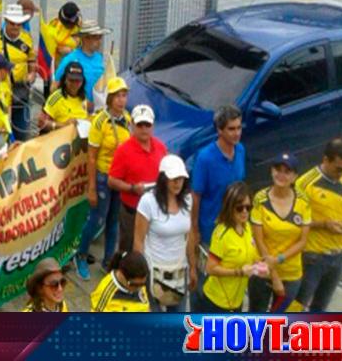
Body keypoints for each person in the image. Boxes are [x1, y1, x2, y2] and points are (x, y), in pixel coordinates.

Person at [74, 76, 131, 281]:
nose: (121, 100)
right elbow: (91, 156)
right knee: (97, 218)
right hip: (102, 177)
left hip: (120, 178)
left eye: (124, 95)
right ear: (109, 98)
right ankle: (80, 255)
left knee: (113, 221)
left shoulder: (128, 119)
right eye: (117, 96)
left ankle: (108, 261)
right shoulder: (99, 121)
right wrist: (91, 187)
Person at [295, 138, 342, 311]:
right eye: (338, 169)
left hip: (338, 255)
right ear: (325, 160)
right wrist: (324, 224)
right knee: (298, 305)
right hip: (313, 257)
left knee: (320, 307)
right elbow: (294, 221)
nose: (341, 174)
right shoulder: (306, 183)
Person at [248, 152, 310, 313]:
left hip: (291, 273)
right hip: (262, 270)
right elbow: (259, 240)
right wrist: (274, 276)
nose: (281, 175)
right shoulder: (260, 199)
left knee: (280, 323)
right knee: (256, 319)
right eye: (278, 169)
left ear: (295, 176)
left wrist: (278, 259)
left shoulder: (303, 201)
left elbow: (303, 241)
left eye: (287, 171)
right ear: (271, 171)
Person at [133, 154, 195, 312]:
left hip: (180, 270)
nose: (178, 183)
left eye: (181, 179)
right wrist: (139, 275)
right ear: (164, 179)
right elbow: (138, 241)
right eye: (174, 179)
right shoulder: (148, 202)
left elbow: (190, 236)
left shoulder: (187, 200)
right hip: (154, 269)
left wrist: (193, 267)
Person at [108, 104, 167, 255]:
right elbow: (112, 180)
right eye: (140, 125)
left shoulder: (161, 148)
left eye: (147, 124)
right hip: (132, 212)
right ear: (132, 125)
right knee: (129, 251)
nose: (144, 129)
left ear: (153, 126)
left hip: (155, 210)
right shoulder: (123, 151)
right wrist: (132, 188)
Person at [201, 182, 266, 313]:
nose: (245, 212)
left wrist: (258, 264)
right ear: (229, 207)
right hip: (217, 301)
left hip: (236, 300)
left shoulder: (246, 227)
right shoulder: (222, 234)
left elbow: (249, 252)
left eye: (248, 207)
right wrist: (239, 272)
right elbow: (210, 268)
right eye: (239, 208)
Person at [190, 105, 246, 250]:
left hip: (235, 226)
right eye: (231, 129)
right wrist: (194, 230)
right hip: (212, 230)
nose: (237, 133)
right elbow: (196, 196)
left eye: (239, 128)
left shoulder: (240, 150)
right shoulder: (205, 158)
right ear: (219, 130)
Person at [0, 3, 37, 141]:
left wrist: (32, 75)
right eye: (12, 23)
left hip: (21, 91)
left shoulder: (27, 38)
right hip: (0, 92)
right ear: (6, 21)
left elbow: (32, 60)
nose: (15, 27)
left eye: (18, 24)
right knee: (1, 132)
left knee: (21, 131)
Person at [53, 20, 110, 103]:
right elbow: (55, 86)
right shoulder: (71, 59)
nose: (99, 42)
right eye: (96, 38)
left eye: (100, 38)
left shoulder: (99, 58)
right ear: (85, 38)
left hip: (98, 107)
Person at [39, 61, 88, 133]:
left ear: (82, 81)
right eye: (71, 80)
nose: (74, 84)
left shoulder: (83, 97)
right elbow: (41, 123)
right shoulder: (56, 98)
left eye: (78, 80)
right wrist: (63, 125)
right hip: (59, 139)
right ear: (65, 79)